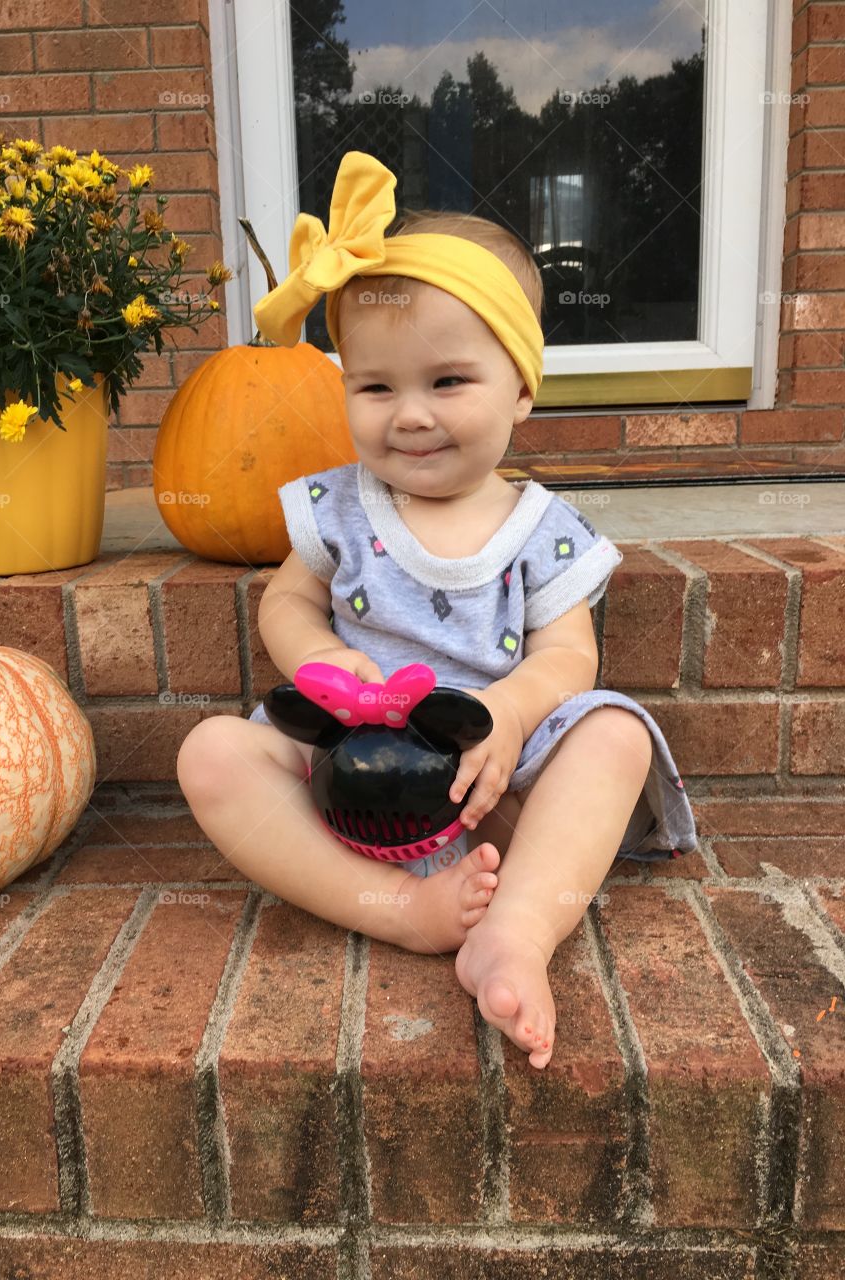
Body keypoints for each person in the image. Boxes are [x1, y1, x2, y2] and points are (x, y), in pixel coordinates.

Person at [177, 151, 696, 1071]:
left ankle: (518, 932)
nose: (409, 415)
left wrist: (510, 711)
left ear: (522, 389)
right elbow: (288, 600)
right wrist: (316, 665)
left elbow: (568, 655)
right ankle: (394, 908)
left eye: (447, 382)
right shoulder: (337, 508)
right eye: (376, 388)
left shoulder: (543, 528)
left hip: (489, 777)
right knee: (211, 753)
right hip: (349, 755)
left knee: (612, 735)